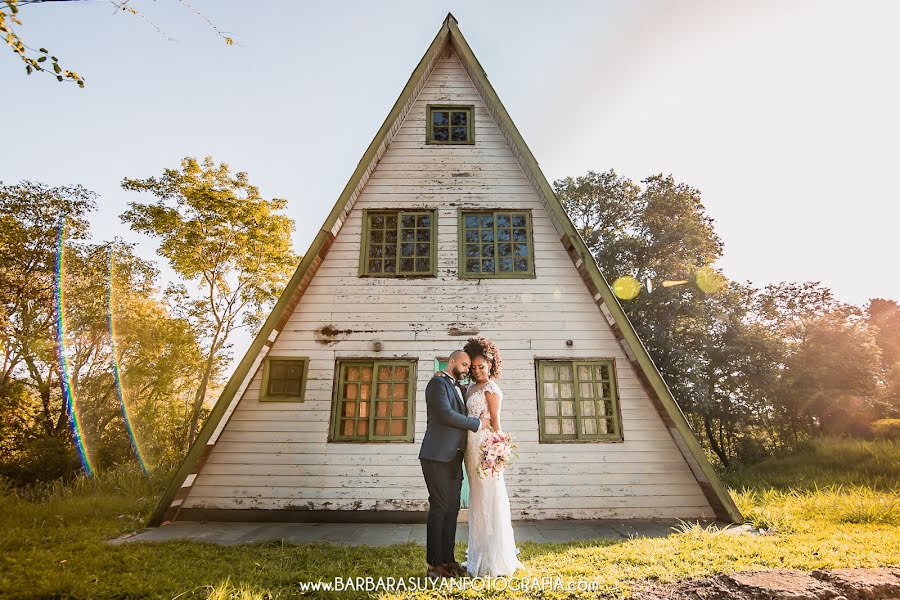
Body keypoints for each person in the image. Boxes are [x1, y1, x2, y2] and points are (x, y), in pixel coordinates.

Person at [418, 350, 492, 579]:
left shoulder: (457, 387)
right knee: (440, 507)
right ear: (451, 362)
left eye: (468, 366)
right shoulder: (437, 384)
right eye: (463, 364)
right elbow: (445, 415)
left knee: (452, 509)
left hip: (454, 457)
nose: (466, 369)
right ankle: (434, 564)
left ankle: (448, 560)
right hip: (436, 455)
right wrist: (476, 424)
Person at [462, 336, 525, 577]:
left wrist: (498, 452)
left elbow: (496, 423)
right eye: (474, 367)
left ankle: (495, 557)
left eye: (482, 366)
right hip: (470, 446)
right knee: (478, 498)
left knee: (491, 496)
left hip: (485, 448)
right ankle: (479, 551)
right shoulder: (468, 388)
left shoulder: (491, 389)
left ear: (490, 365)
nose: (478, 371)